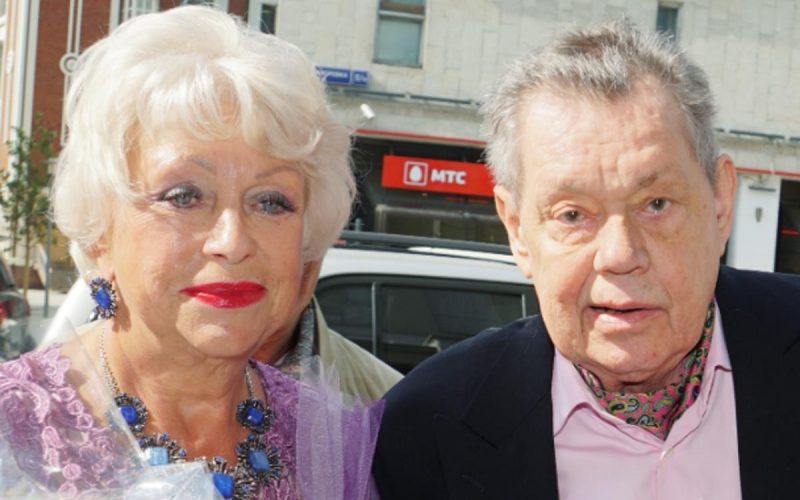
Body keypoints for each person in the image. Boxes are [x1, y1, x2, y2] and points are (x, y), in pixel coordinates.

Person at [373, 19, 800, 500]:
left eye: (656, 204)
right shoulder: (422, 435)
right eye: (572, 214)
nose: (620, 255)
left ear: (720, 203)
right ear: (517, 229)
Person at [0, 6, 382, 499]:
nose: (232, 241)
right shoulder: (14, 431)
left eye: (271, 202)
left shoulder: (333, 440)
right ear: (101, 230)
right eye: (184, 196)